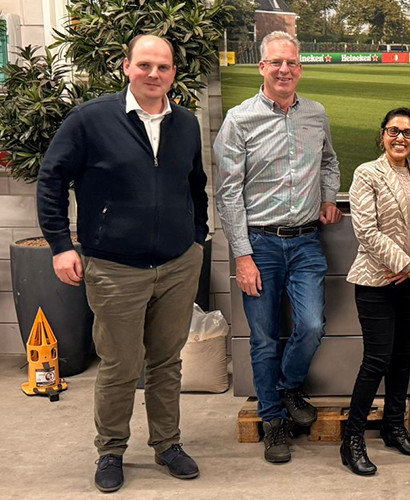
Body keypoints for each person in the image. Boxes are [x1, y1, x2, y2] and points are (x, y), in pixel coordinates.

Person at [37, 34, 208, 492]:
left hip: (177, 263)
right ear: (126, 66)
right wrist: (60, 244)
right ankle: (111, 450)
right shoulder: (89, 120)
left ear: (174, 72)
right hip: (113, 267)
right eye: (145, 65)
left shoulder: (186, 123)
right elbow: (51, 180)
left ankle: (167, 443)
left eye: (164, 67)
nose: (155, 75)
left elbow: (196, 186)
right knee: (120, 364)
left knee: (167, 361)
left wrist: (196, 239)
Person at [214, 31, 341, 464]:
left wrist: (327, 195)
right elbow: (227, 193)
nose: (284, 69)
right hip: (261, 245)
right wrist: (242, 255)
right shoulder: (239, 119)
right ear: (261, 67)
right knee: (264, 338)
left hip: (306, 240)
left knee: (310, 325)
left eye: (291, 62)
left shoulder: (317, 114)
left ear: (299, 68)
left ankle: (288, 387)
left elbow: (329, 160)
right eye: (276, 62)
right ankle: (273, 422)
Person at [341, 108, 410, 475]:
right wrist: (406, 265)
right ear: (382, 135)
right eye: (393, 131)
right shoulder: (366, 174)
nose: (400, 138)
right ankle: (351, 439)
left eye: (407, 132)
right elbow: (366, 231)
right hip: (377, 281)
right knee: (377, 360)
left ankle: (393, 428)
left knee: (403, 357)